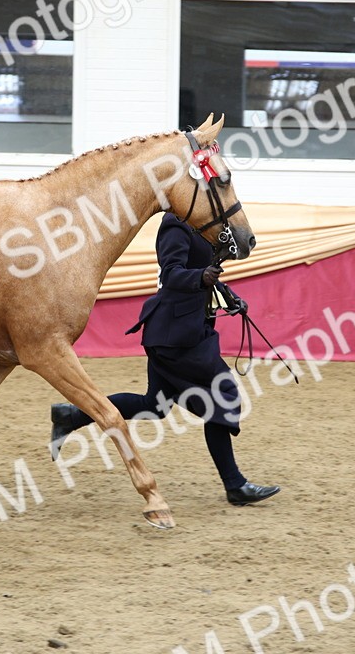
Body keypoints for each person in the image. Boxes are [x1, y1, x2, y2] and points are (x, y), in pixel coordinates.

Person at [49, 212, 280, 507]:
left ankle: (71, 416)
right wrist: (200, 276)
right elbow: (171, 274)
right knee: (223, 395)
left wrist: (229, 296)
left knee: (154, 406)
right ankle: (235, 485)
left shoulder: (201, 226)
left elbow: (205, 274)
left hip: (178, 333)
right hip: (176, 336)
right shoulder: (175, 224)